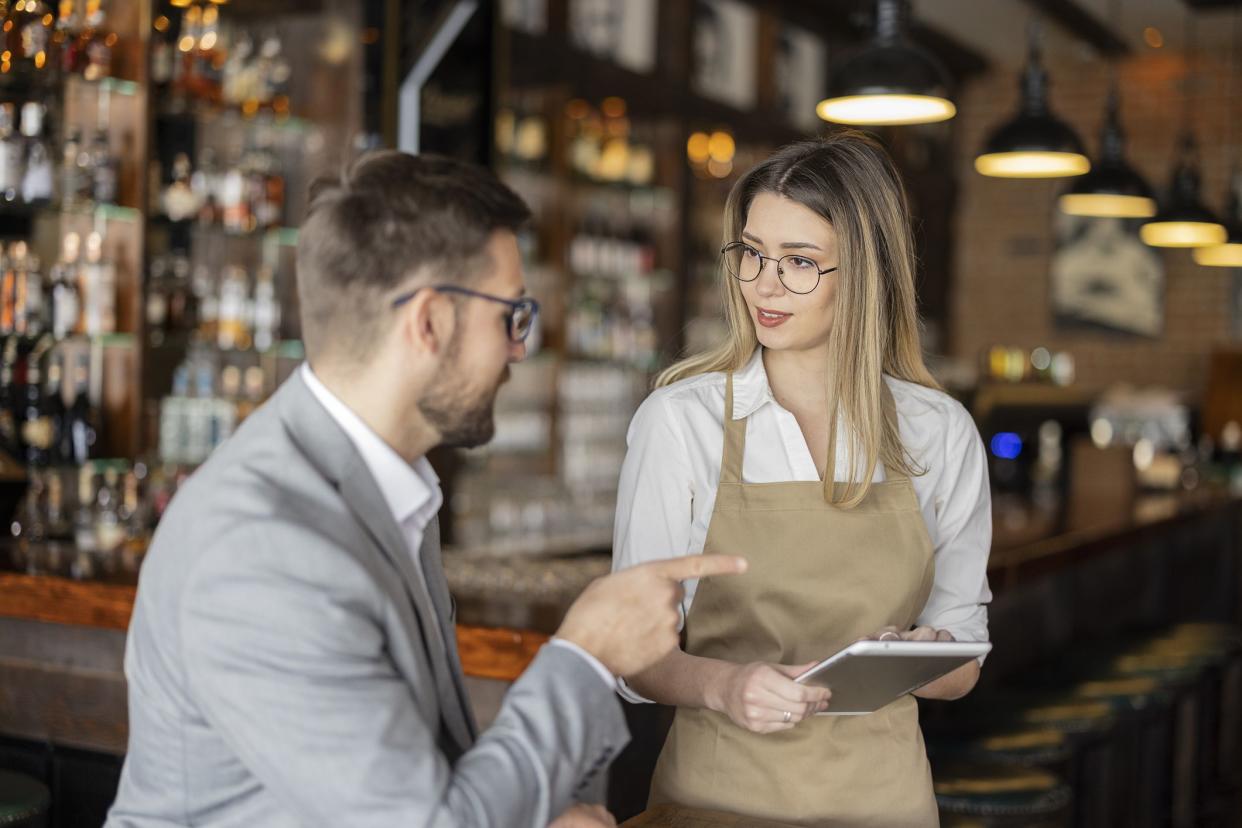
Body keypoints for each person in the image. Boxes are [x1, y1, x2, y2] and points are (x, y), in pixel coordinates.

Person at [105, 151, 745, 828]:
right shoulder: (262, 546)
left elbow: (404, 780)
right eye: (512, 315)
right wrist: (586, 655)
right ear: (430, 322)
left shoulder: (381, 484)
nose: (520, 349)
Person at [612, 132, 992, 826]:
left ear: (868, 272)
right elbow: (635, 658)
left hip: (886, 802)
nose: (763, 283)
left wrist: (919, 654)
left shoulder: (938, 431)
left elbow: (962, 666)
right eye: (752, 254)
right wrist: (728, 686)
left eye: (800, 263)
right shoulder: (682, 422)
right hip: (717, 801)